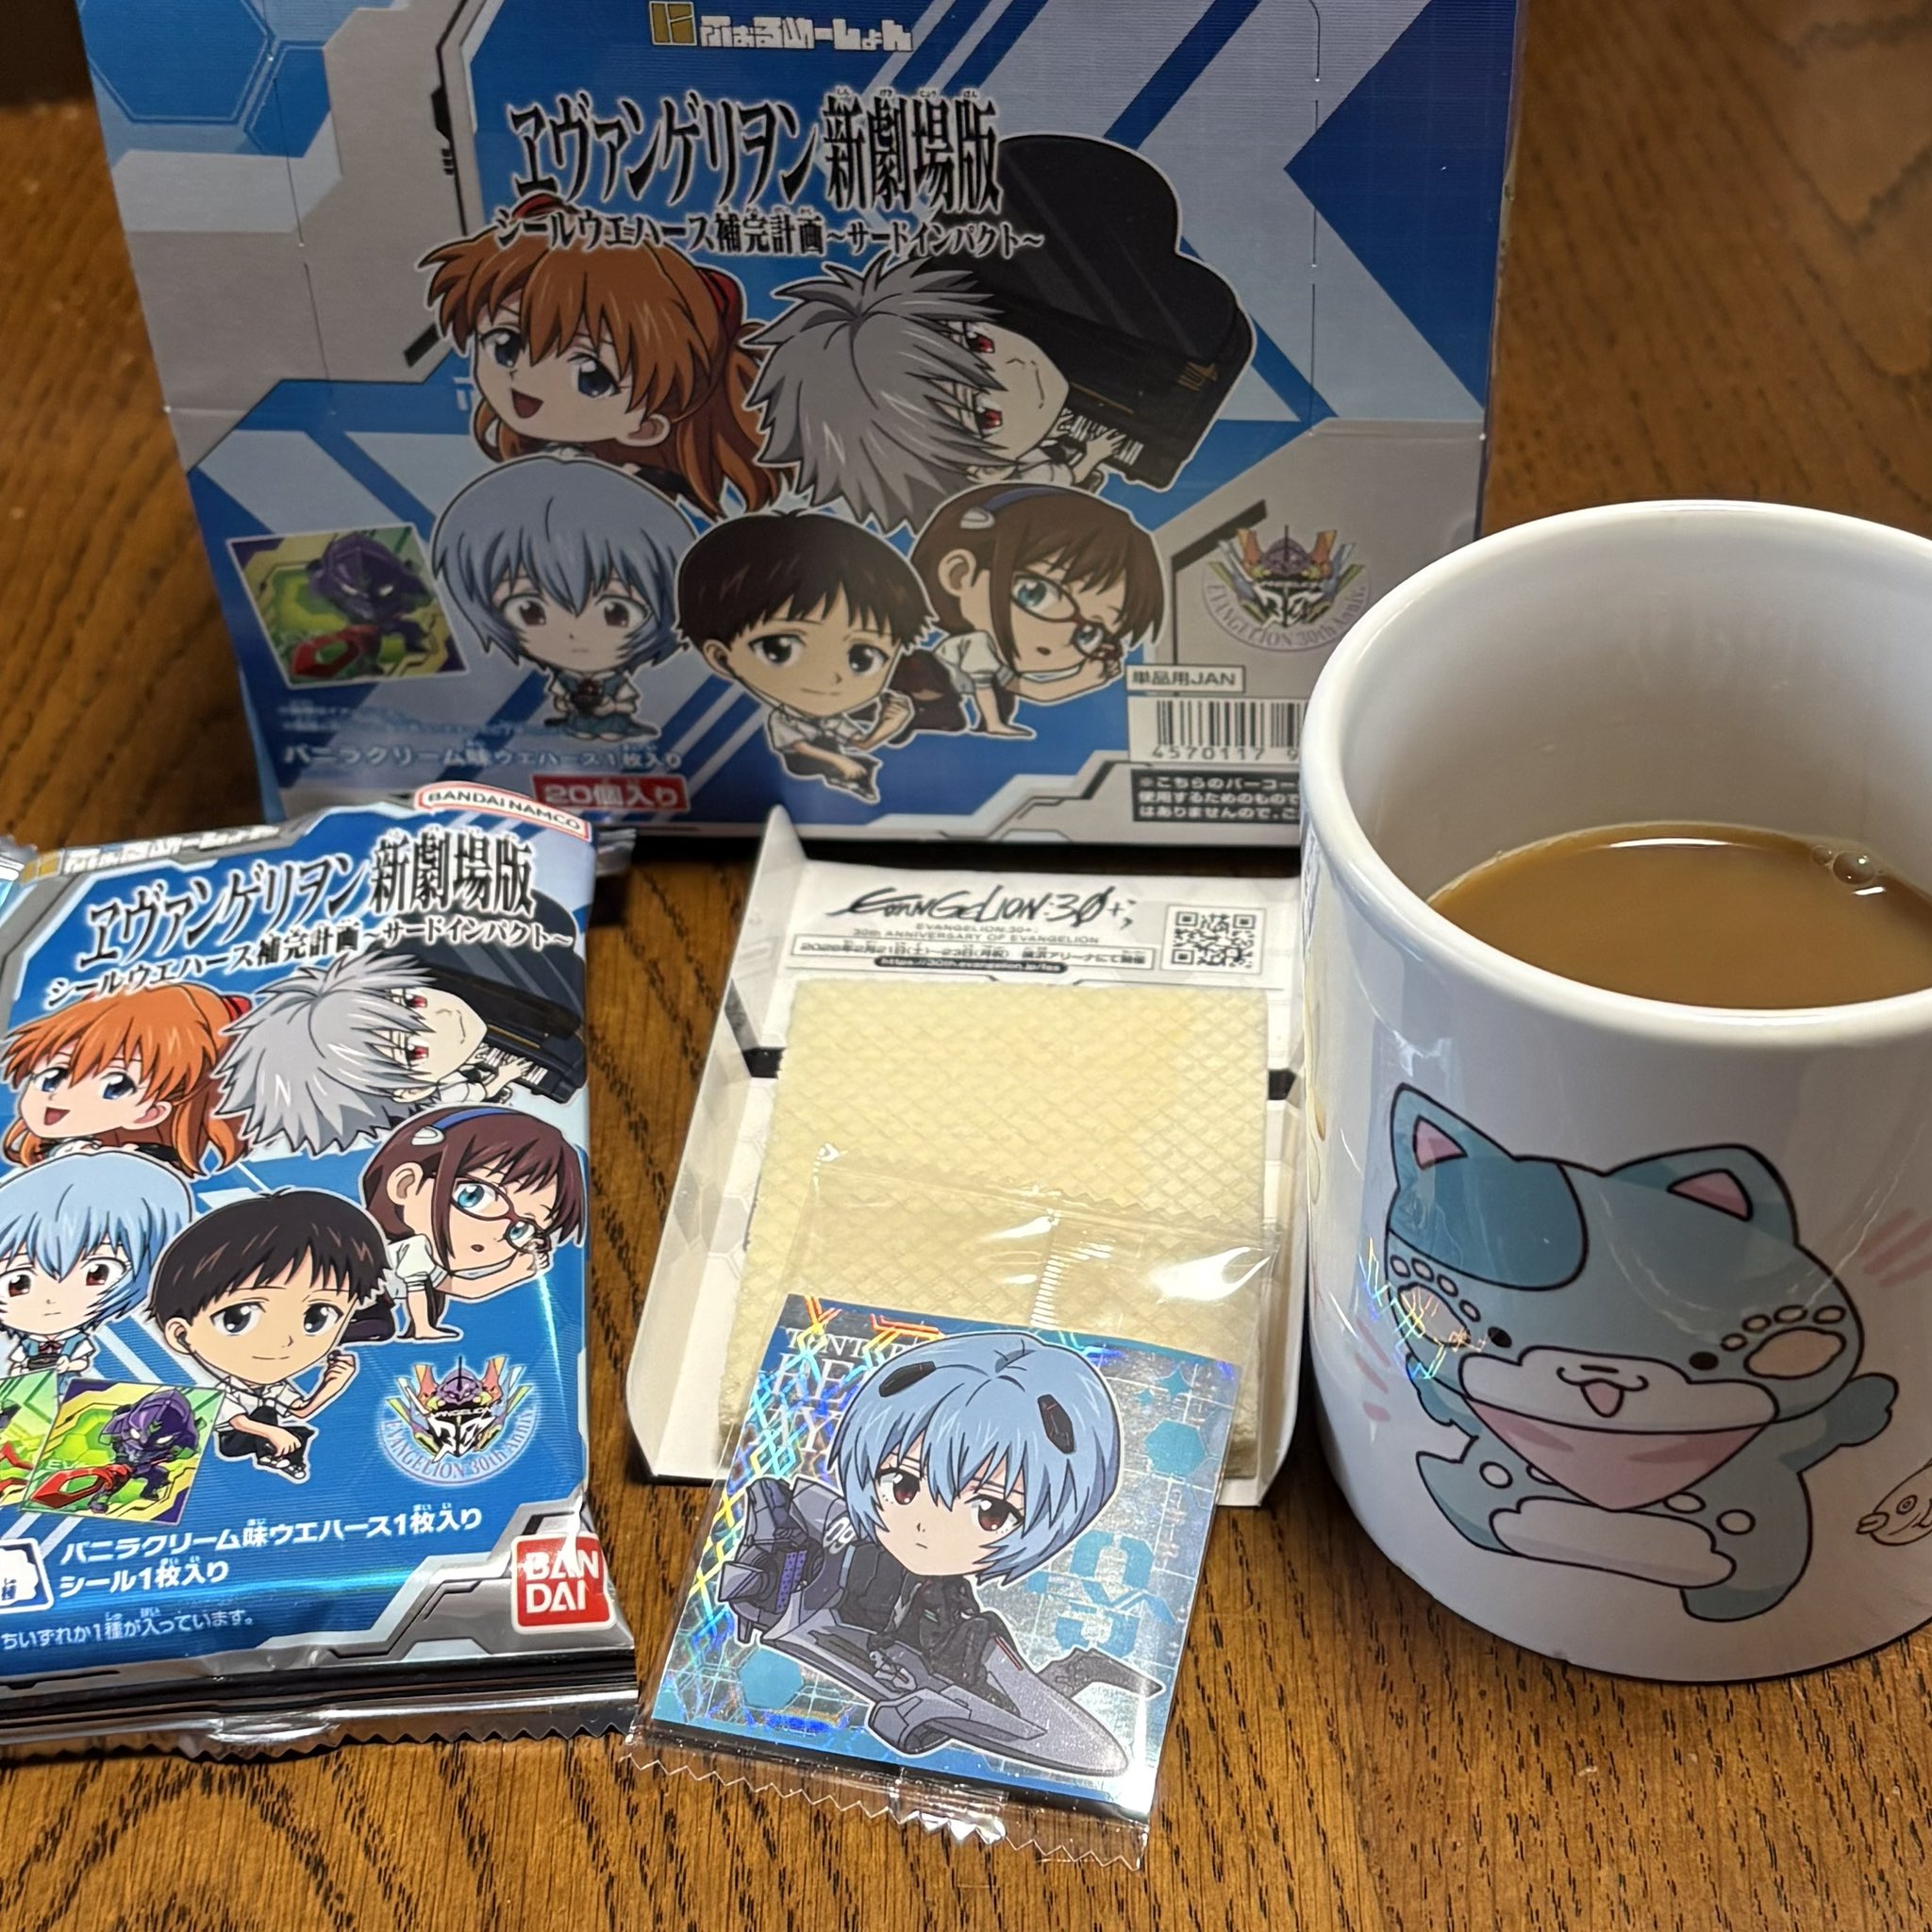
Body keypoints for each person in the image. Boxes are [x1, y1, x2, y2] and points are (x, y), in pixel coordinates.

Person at [420, 197, 780, 517]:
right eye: (505, 345)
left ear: (645, 427)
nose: (525, 377)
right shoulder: (521, 475)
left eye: (592, 377)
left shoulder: (635, 499)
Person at [677, 512, 958, 802]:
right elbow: (800, 749)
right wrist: (841, 762)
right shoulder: (785, 719)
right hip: (798, 773)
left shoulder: (831, 719)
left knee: (865, 768)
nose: (830, 677)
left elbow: (860, 743)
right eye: (779, 649)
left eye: (863, 657)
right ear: (721, 658)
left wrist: (889, 724)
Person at [431, 455, 694, 739]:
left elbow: (626, 701)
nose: (574, 634)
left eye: (616, 613)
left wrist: (609, 706)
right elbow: (559, 698)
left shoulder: (615, 681)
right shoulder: (565, 680)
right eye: (529, 611)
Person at [151, 1190, 387, 1484]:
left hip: (263, 1436)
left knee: (296, 1430)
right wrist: (273, 1433)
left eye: (317, 1317)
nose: (283, 1342)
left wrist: (331, 1385)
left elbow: (301, 1410)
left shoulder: (273, 1386)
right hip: (236, 1439)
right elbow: (238, 1421)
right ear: (181, 1335)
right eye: (237, 1318)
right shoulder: (219, 1389)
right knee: (265, 1417)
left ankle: (284, 1460)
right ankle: (273, 1455)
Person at [910, 484, 1163, 739]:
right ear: (960, 574)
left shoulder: (996, 663)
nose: (1059, 638)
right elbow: (983, 689)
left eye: (1089, 632)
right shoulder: (978, 644)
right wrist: (994, 725)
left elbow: (1034, 691)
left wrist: (1083, 680)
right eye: (1035, 594)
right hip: (926, 682)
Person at [359, 1106, 585, 1341]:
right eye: (473, 1196)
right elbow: (449, 1290)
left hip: (371, 1308)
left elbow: (464, 1288)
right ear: (406, 1185)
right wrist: (424, 1329)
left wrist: (515, 1272)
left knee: (379, 1327)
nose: (496, 1233)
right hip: (361, 1303)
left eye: (520, 1229)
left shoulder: (420, 1254)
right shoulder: (409, 1250)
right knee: (376, 1327)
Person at [2, 983, 248, 1172]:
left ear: (151, 1113)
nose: (59, 1095)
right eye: (52, 1076)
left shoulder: (145, 1170)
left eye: (115, 1086)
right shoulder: (61, 1153)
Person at [0, 1151, 192, 1377]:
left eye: (96, 1274)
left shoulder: (80, 1341)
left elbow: (81, 1362)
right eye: (18, 1284)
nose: (51, 1300)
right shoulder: (26, 1345)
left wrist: (67, 1365)